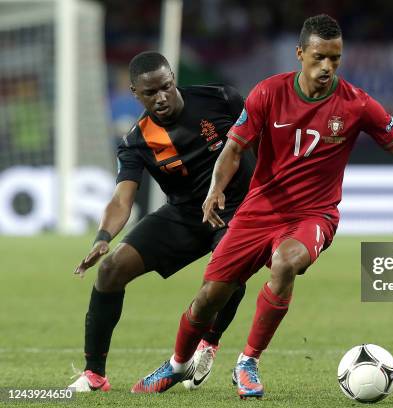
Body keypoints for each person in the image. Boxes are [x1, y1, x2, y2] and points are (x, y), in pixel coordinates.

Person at [131, 15, 393, 398]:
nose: (327, 67)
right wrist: (216, 189)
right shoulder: (268, 93)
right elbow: (234, 147)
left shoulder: (356, 104)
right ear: (300, 53)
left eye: (335, 59)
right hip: (258, 210)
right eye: (319, 57)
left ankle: (248, 361)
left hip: (313, 215)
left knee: (286, 262)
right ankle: (177, 364)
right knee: (208, 299)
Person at [68, 51, 255, 392]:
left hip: (239, 209)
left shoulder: (221, 99)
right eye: (150, 93)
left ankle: (206, 346)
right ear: (135, 93)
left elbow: (260, 140)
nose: (161, 97)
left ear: (173, 79)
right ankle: (94, 374)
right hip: (184, 215)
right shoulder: (137, 141)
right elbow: (122, 198)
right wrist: (102, 236)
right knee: (111, 270)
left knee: (228, 268)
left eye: (166, 87)